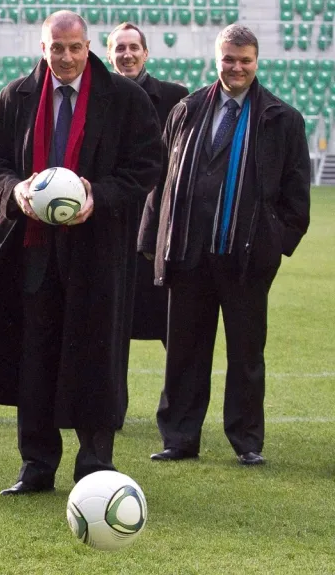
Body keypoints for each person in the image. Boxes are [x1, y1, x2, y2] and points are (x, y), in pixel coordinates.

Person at [0, 11, 162, 494]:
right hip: (31, 252)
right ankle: (36, 465)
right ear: (43, 47)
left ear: (88, 45)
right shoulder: (16, 96)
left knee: (96, 357)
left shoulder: (125, 99)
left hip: (98, 253)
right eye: (56, 48)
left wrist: (99, 196)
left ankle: (94, 463)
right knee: (35, 357)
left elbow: (148, 166)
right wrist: (16, 193)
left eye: (74, 48)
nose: (66, 58)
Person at [138, 25, 310, 466]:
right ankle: (179, 438)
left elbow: (296, 196)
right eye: (229, 59)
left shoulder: (282, 118)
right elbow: (162, 181)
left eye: (245, 60)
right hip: (189, 253)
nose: (236, 67)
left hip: (246, 258)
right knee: (183, 352)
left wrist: (274, 243)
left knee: (246, 354)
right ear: (217, 59)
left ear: (257, 62)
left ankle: (247, 442)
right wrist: (151, 240)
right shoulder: (188, 109)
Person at [106, 22, 189, 428]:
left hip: (160, 233)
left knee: (172, 328)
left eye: (133, 47)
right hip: (109, 230)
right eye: (119, 48)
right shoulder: (98, 96)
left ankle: (178, 423)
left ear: (146, 52)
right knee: (110, 330)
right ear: (109, 54)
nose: (126, 54)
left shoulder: (176, 98)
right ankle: (110, 413)